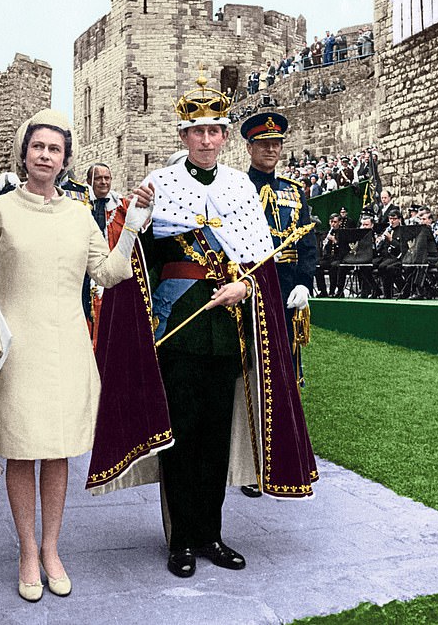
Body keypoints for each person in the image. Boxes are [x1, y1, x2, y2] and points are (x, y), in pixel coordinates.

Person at [0, 110, 152, 602]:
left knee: (58, 452)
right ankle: (25, 551)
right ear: (24, 153)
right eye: (37, 146)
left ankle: (52, 550)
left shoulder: (80, 214)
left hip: (66, 344)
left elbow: (105, 274)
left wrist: (132, 228)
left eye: (54, 149)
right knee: (22, 449)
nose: (45, 155)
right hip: (15, 350)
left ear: (65, 160)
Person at [133, 76, 317, 579]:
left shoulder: (239, 187)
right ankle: (181, 539)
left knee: (216, 436)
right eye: (198, 132)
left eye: (216, 130)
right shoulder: (160, 185)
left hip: (226, 332)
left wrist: (246, 287)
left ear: (224, 136)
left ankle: (211, 534)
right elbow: (137, 256)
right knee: (182, 436)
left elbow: (260, 262)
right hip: (179, 327)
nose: (208, 140)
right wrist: (138, 212)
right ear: (184, 137)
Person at [241, 112, 317, 391]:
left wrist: (304, 283)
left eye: (276, 143)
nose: (271, 149)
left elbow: (308, 244)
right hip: (250, 284)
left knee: (286, 358)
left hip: (286, 286)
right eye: (263, 144)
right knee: (251, 363)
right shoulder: (237, 188)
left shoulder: (294, 192)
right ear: (250, 148)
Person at [85, 162, 131, 347]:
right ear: (89, 181)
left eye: (107, 178)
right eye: (98, 178)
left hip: (114, 272)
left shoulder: (122, 206)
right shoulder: (81, 206)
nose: (103, 182)